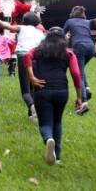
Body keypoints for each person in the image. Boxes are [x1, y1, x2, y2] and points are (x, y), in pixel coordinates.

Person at [24, 27, 82, 165]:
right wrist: (79, 96)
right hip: (62, 90)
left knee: (45, 123)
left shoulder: (38, 50)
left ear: (46, 37)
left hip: (42, 89)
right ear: (64, 39)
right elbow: (76, 74)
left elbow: (26, 56)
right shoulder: (68, 53)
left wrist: (31, 77)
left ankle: (48, 139)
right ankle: (58, 156)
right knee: (57, 121)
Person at [0, 10, 45, 123]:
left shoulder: (22, 28)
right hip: (36, 59)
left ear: (24, 21)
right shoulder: (40, 33)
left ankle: (33, 107)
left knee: (25, 92)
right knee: (33, 88)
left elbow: (6, 26)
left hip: (23, 58)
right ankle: (32, 116)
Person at [63, 6, 94, 115]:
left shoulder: (69, 21)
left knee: (79, 73)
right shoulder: (87, 22)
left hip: (79, 47)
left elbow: (62, 35)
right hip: (91, 47)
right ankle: (87, 88)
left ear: (72, 13)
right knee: (81, 69)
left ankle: (84, 102)